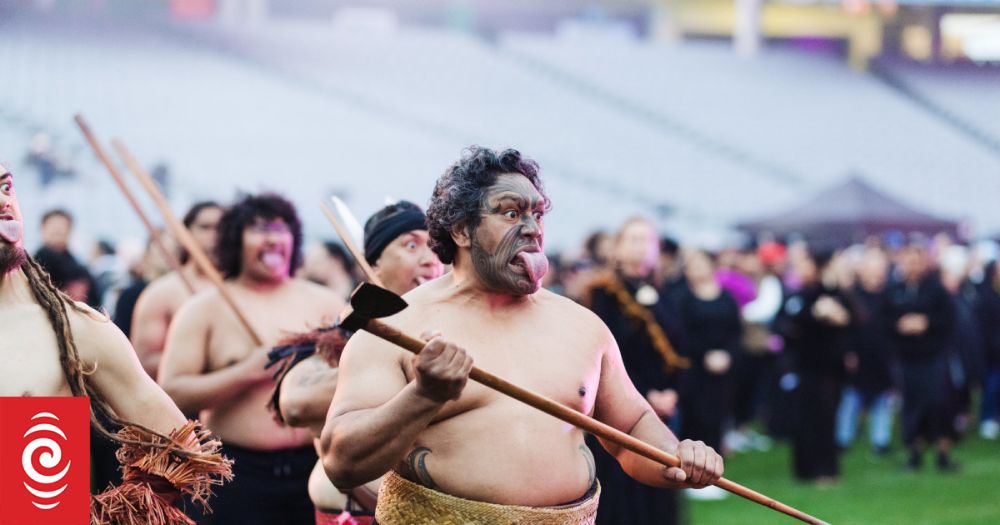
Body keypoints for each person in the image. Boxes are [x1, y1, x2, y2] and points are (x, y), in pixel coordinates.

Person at [321, 147, 723, 524]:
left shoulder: (582, 326)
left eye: (538, 215)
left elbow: (631, 428)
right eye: (512, 214)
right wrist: (423, 396)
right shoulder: (395, 327)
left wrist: (676, 458)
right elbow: (343, 462)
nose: (532, 228)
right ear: (462, 230)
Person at [0, 165, 230, 524]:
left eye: (6, 187)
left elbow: (177, 447)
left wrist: (111, 517)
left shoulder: (70, 327)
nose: (3, 202)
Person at [159, 193, 344, 524]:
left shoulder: (327, 304)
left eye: (280, 228)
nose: (272, 237)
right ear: (235, 239)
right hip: (234, 473)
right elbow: (171, 390)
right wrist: (245, 371)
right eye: (258, 229)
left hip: (313, 467)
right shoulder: (204, 309)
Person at [272, 201, 444, 525]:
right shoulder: (346, 337)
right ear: (374, 264)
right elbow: (295, 403)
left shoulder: (459, 328)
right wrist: (417, 381)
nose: (429, 258)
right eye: (411, 245)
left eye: (435, 246)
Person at [582, 217, 689, 523]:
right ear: (617, 248)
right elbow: (610, 353)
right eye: (634, 240)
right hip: (622, 403)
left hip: (664, 405)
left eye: (649, 241)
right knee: (623, 488)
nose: (643, 248)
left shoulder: (664, 294)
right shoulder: (602, 294)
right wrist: (646, 394)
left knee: (662, 473)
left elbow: (679, 350)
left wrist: (672, 391)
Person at [774, 249, 851, 483]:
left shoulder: (829, 293)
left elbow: (851, 320)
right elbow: (782, 324)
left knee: (824, 419)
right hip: (801, 367)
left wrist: (834, 315)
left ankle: (825, 469)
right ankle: (805, 470)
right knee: (803, 419)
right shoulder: (796, 295)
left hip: (825, 369)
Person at [674, 248, 742, 501]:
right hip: (694, 370)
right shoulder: (682, 298)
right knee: (695, 417)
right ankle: (691, 473)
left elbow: (736, 331)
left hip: (723, 370)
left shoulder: (726, 298)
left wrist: (727, 355)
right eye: (691, 265)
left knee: (718, 416)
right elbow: (681, 334)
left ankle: (714, 473)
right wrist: (705, 356)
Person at [885, 242, 958, 471]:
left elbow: (949, 320)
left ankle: (943, 452)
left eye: (916, 261)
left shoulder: (936, 289)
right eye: (907, 261)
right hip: (908, 358)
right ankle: (914, 453)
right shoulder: (894, 290)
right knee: (912, 405)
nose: (912, 266)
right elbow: (881, 321)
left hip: (933, 357)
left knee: (939, 403)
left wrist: (926, 323)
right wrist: (900, 325)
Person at [131, 201, 224, 379]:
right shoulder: (161, 292)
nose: (216, 235)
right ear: (185, 234)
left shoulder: (242, 289)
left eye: (222, 227)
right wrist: (203, 361)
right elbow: (144, 361)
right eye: (205, 227)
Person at [837, 247, 895, 455]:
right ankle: (843, 438)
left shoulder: (890, 294)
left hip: (882, 357)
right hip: (858, 356)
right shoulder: (852, 296)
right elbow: (846, 329)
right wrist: (849, 352)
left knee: (883, 400)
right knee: (851, 398)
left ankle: (881, 440)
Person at [33, 208, 101, 306]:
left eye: (61, 227)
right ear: (42, 230)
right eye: (53, 227)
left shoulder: (80, 272)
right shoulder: (27, 267)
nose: (57, 231)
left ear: (70, 231)